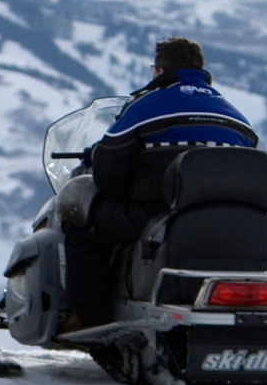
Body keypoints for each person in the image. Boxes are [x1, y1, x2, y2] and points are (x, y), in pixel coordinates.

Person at [60, 37, 256, 328]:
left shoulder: (146, 106)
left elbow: (109, 174)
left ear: (160, 71)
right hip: (236, 224)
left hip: (155, 216)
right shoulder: (237, 118)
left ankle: (90, 319)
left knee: (83, 225)